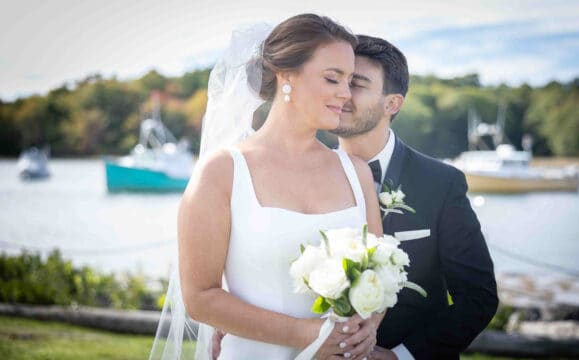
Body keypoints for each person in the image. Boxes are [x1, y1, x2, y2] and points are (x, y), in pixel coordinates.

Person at [150, 14, 385, 360]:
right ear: (286, 75)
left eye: (350, 81)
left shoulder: (357, 173)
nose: (346, 94)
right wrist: (307, 335)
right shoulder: (222, 172)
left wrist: (369, 325)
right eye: (333, 78)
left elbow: (378, 274)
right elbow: (200, 296)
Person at [332, 35, 499, 359]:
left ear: (392, 103)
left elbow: (477, 298)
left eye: (357, 84)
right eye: (336, 80)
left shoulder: (442, 183)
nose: (341, 94)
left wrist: (400, 356)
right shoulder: (303, 174)